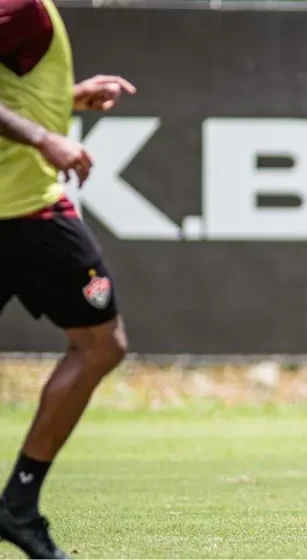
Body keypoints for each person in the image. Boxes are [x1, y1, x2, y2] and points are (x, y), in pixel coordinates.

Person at [0, 0, 136, 556]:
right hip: (25, 213)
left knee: (98, 346)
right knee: (100, 345)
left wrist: (66, 98)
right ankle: (19, 504)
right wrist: (43, 138)